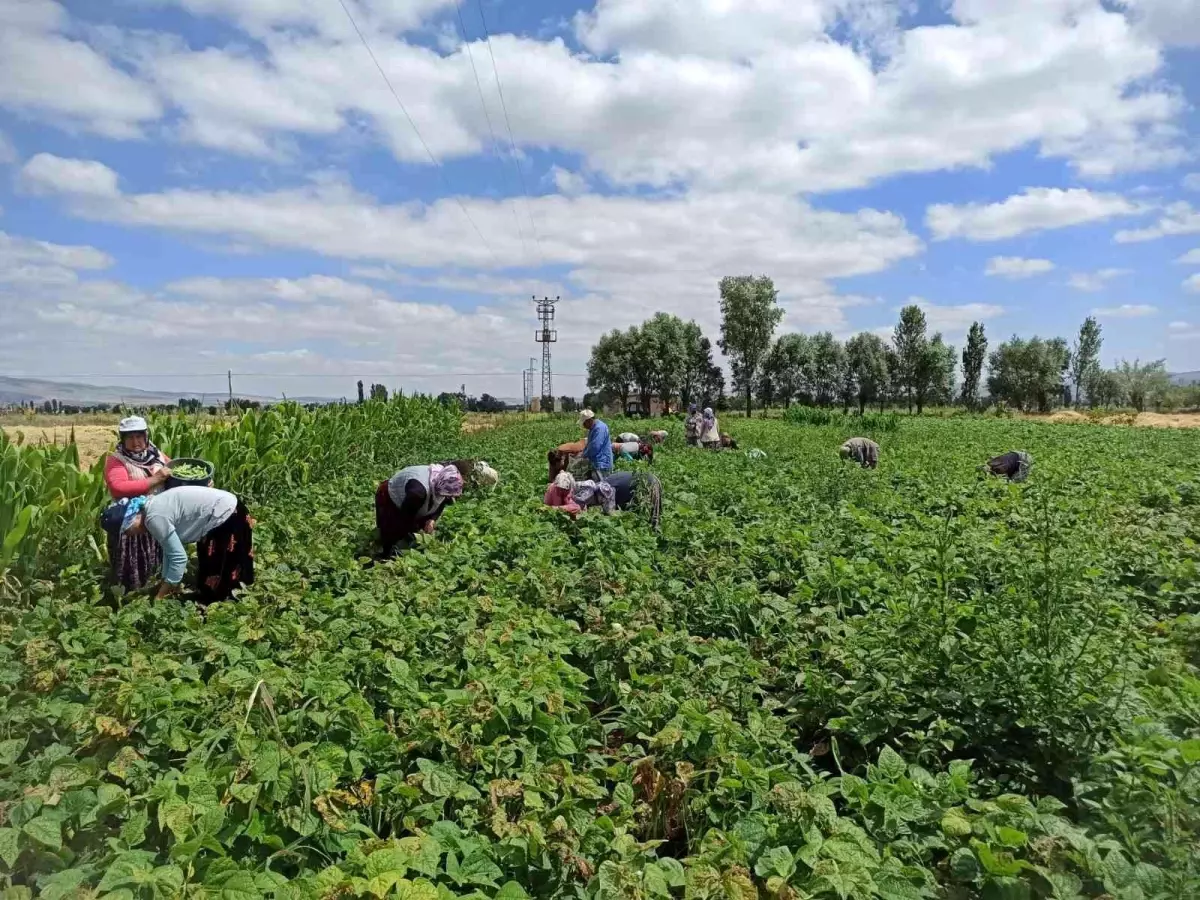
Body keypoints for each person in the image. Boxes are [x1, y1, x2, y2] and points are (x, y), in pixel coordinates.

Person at [119, 485, 255, 605]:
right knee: (209, 559)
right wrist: (166, 581)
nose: (131, 534)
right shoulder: (152, 507)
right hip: (228, 507)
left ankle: (223, 605)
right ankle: (234, 594)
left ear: (134, 518)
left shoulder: (154, 518)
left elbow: (179, 558)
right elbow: (169, 550)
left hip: (226, 515)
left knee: (218, 566)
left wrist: (160, 597)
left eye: (128, 530)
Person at [102, 416, 172, 591]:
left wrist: (201, 483)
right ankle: (130, 596)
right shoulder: (117, 460)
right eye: (130, 438)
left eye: (139, 437)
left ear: (146, 436)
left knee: (159, 558)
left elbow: (176, 473)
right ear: (122, 439)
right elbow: (118, 488)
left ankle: (159, 588)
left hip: (159, 516)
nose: (135, 442)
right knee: (134, 566)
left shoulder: (157, 455)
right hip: (133, 522)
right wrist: (154, 480)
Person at [376, 463, 465, 556]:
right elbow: (405, 517)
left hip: (414, 499)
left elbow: (442, 503)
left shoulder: (444, 479)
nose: (448, 498)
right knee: (391, 529)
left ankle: (402, 548)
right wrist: (417, 532)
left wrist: (432, 520)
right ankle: (386, 554)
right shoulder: (418, 493)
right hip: (391, 494)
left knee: (417, 527)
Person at [544, 470, 662, 530]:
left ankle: (655, 537)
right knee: (636, 516)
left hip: (647, 482)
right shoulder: (593, 486)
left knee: (652, 518)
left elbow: (574, 509)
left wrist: (550, 509)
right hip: (636, 483)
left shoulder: (589, 489)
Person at [579, 409, 613, 478]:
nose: (583, 426)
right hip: (597, 463)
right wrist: (583, 453)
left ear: (589, 420)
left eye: (584, 423)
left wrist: (584, 455)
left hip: (602, 464)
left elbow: (595, 447)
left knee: (602, 486)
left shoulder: (599, 428)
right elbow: (590, 444)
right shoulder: (593, 429)